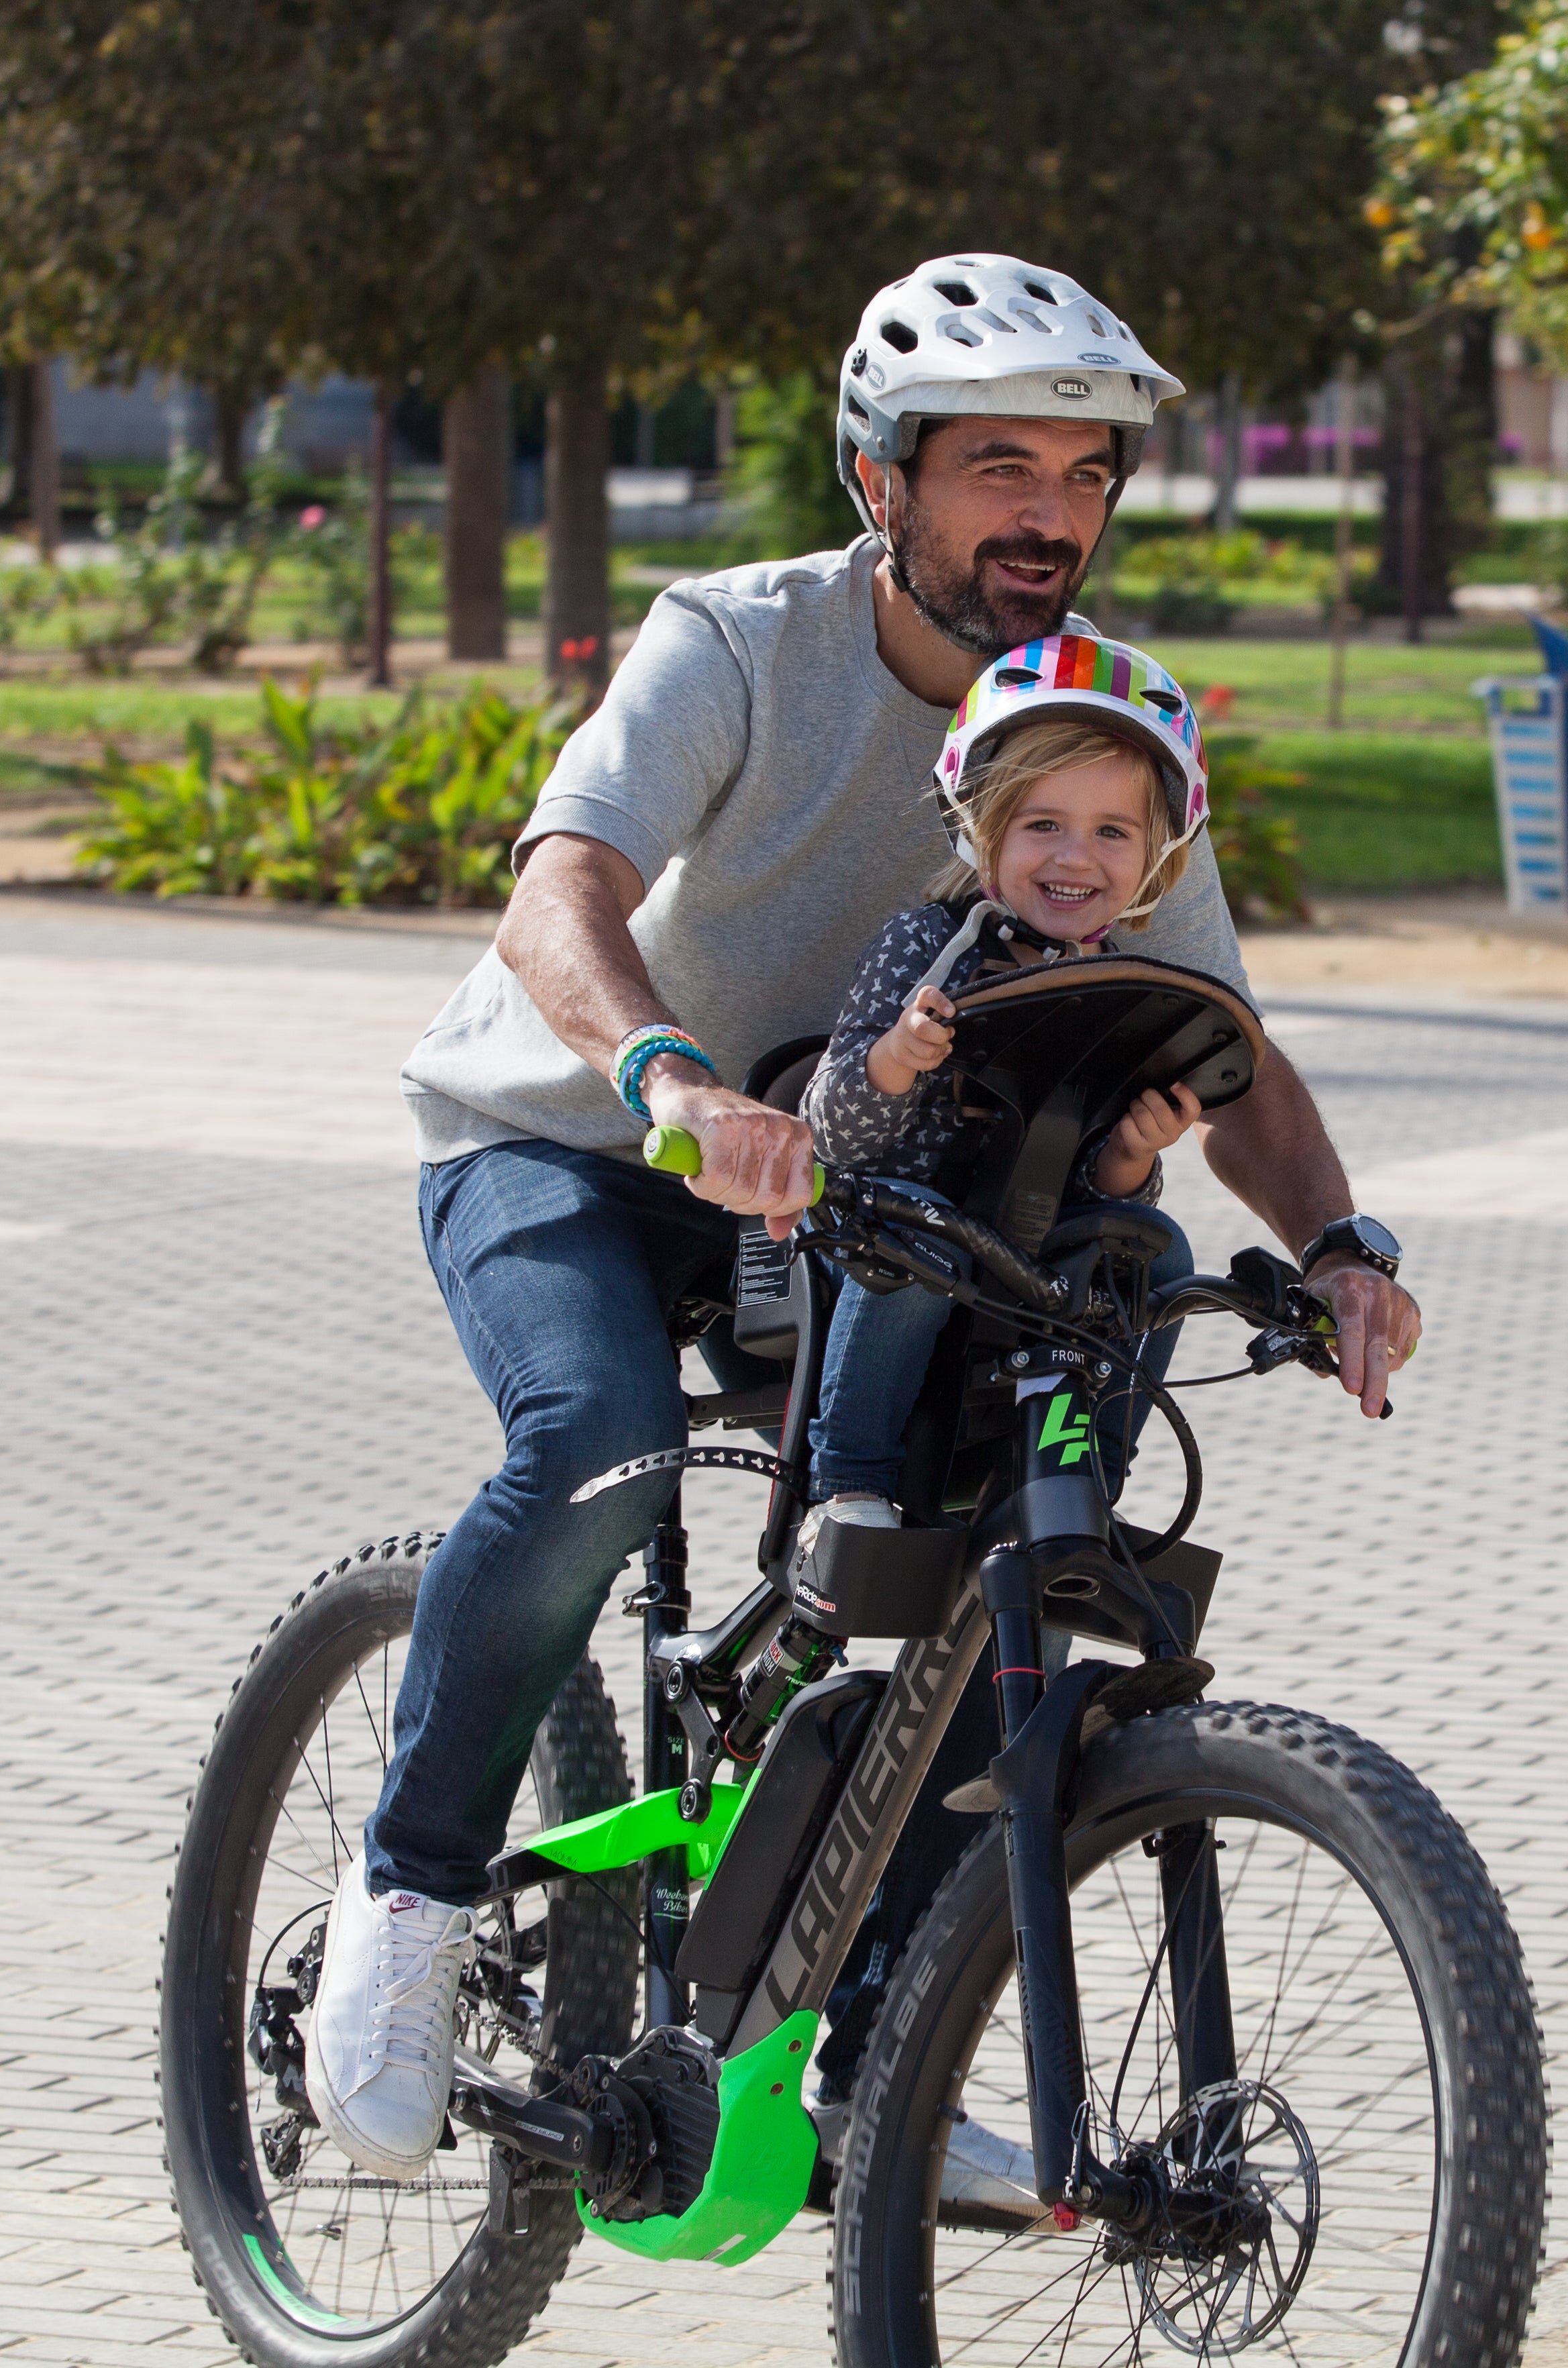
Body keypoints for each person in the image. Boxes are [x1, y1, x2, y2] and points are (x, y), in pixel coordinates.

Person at [301, 253, 1422, 2185]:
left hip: (848, 1197)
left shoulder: (1084, 732)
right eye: (999, 463)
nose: (1050, 513)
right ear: (874, 476)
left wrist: (1338, 1247)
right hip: (573, 1138)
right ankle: (402, 1909)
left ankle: (866, 2038)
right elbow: (557, 893)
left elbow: (1228, 1043)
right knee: (596, 1442)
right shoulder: (734, 642)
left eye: (1083, 474)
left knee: (970, 1550)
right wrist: (669, 1080)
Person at [799, 634, 1214, 1540]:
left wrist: (1130, 1155)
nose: (1076, 857)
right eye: (1042, 824)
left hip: (1015, 1260)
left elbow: (1088, 1191)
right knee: (922, 1240)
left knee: (1155, 1249)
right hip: (884, 1239)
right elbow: (827, 1127)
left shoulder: (1115, 989)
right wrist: (897, 1057)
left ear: (1154, 856)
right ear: (981, 827)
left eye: (1112, 832)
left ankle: (1089, 1479)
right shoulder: (926, 946)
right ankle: (850, 1484)